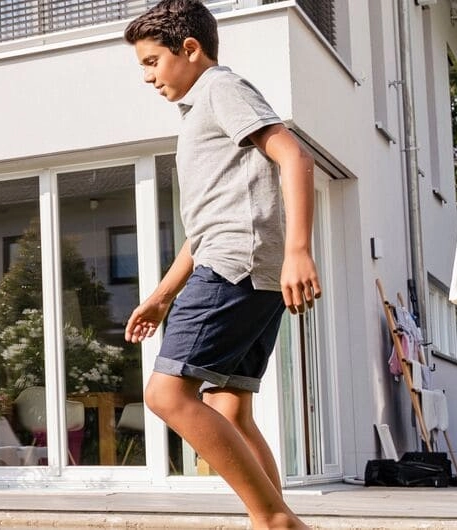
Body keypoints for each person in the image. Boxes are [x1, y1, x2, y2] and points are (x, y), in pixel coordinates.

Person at [122, 1, 321, 529]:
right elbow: (205, 227)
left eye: (150, 62)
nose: (146, 77)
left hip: (234, 268)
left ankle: (273, 519)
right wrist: (163, 296)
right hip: (244, 269)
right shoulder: (200, 110)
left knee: (166, 393)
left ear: (189, 49)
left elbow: (296, 158)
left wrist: (298, 250)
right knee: (231, 409)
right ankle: (276, 520)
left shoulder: (220, 89)